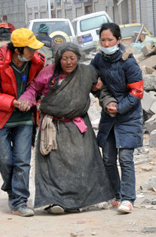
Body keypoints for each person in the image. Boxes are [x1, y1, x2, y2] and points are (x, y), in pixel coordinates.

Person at [17, 43, 115, 214]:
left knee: (84, 162)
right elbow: (33, 89)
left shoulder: (87, 73)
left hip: (78, 126)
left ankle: (80, 200)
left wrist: (108, 102)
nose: (68, 62)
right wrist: (26, 99)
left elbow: (100, 91)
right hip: (53, 126)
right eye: (64, 59)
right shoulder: (48, 72)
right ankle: (54, 201)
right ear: (58, 59)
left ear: (78, 58)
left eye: (72, 58)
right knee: (53, 166)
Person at [0, 28, 46, 217]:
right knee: (4, 160)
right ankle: (12, 189)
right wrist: (13, 102)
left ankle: (19, 201)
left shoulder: (37, 62)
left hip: (25, 120)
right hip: (1, 119)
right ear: (18, 50)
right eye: (30, 49)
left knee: (22, 161)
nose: (34, 53)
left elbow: (40, 85)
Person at [91, 23, 144, 214]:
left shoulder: (128, 61)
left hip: (128, 116)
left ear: (118, 40)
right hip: (108, 116)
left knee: (126, 158)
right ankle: (116, 194)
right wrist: (103, 98)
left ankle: (128, 198)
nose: (106, 44)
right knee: (108, 158)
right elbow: (93, 82)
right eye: (103, 40)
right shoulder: (98, 60)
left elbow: (137, 92)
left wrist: (119, 108)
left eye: (110, 40)